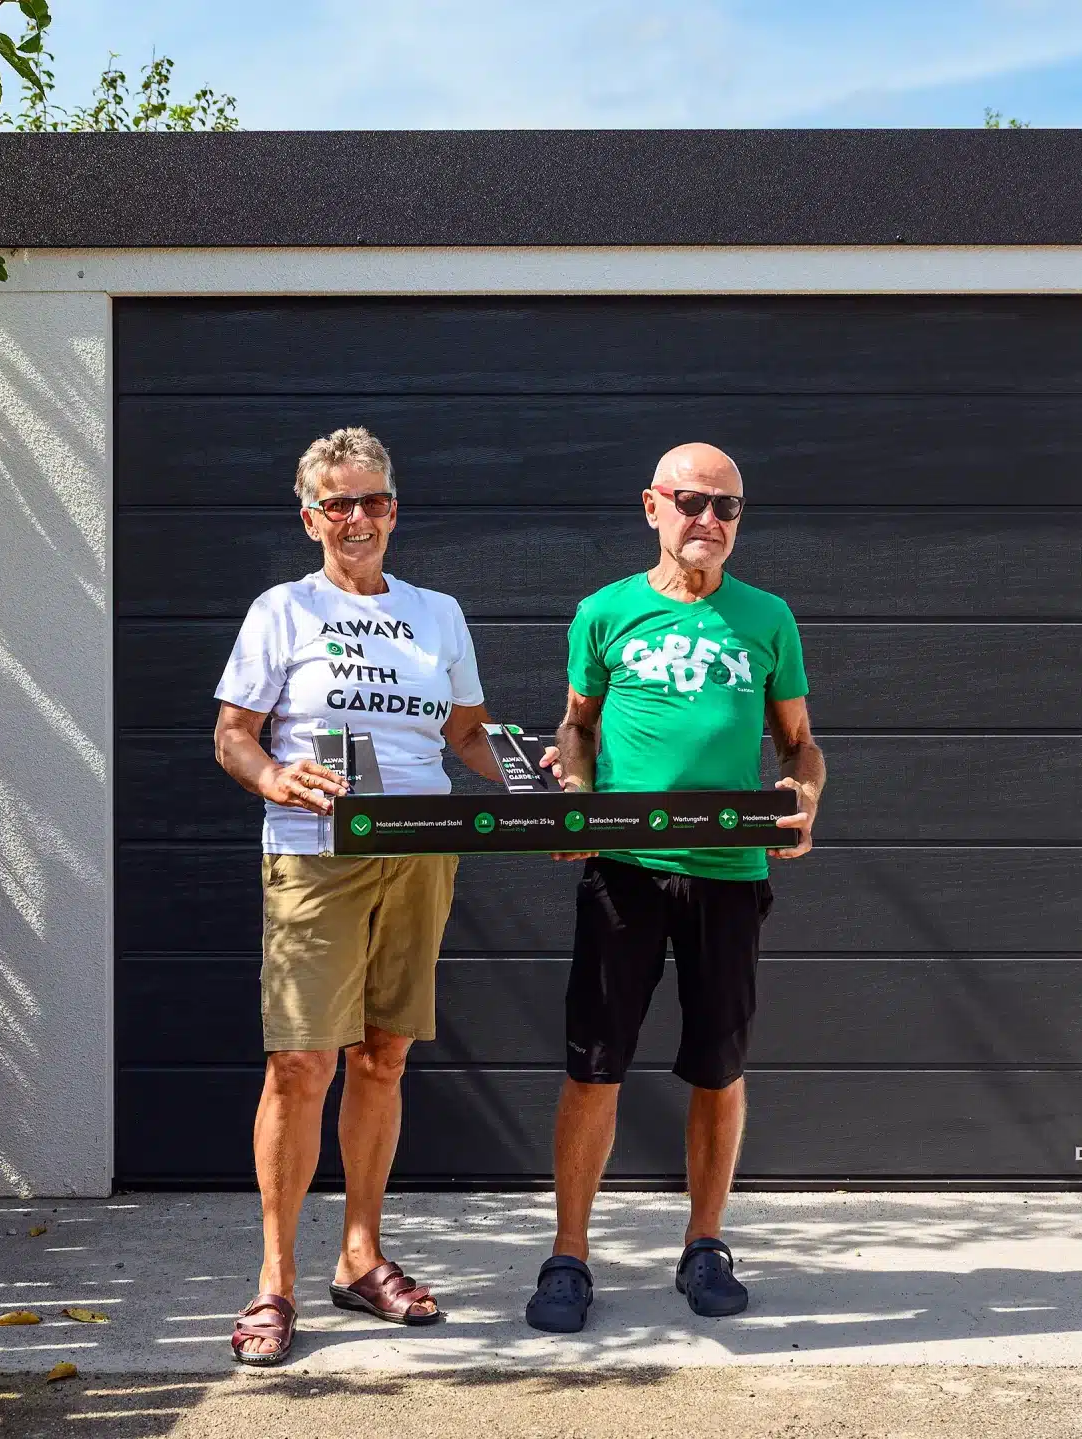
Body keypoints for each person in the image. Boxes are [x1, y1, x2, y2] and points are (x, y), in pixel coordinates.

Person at [211, 427, 504, 1365]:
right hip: (316, 852)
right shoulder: (283, 610)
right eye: (338, 503)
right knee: (300, 1064)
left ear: (393, 510)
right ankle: (275, 1279)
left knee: (383, 1057)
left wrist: (539, 789)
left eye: (373, 500)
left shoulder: (437, 614)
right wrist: (274, 778)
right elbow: (233, 734)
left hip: (420, 854)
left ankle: (360, 1256)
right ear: (311, 518)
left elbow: (468, 735)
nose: (358, 517)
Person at [523, 442, 826, 1333]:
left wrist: (803, 794)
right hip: (624, 870)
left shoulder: (768, 617)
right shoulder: (604, 611)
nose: (709, 519)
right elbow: (576, 728)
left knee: (718, 1067)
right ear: (651, 505)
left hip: (729, 874)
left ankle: (705, 1244)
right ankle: (568, 1256)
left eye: (727, 506)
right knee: (594, 1063)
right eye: (692, 501)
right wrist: (576, 798)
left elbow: (799, 743)